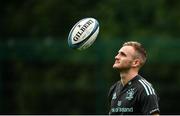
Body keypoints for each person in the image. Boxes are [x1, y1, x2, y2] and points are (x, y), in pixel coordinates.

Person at [108, 41, 160, 115]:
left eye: (123, 54)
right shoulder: (114, 89)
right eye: (118, 53)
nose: (116, 57)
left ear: (135, 63)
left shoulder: (144, 89)